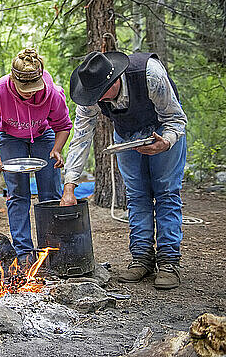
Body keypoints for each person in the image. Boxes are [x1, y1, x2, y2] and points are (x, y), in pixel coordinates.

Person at [61, 51, 187, 290]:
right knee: (136, 195)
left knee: (166, 193)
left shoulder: (150, 74)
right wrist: (70, 185)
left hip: (164, 129)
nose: (97, 100)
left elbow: (177, 119)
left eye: (100, 94)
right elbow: (81, 137)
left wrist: (166, 141)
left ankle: (169, 261)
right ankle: (141, 258)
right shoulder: (90, 95)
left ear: (115, 80)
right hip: (127, 136)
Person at [0, 48, 73, 266]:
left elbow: (63, 125)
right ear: (13, 80)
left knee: (50, 193)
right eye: (24, 89)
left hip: (43, 135)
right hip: (10, 138)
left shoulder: (52, 93)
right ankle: (24, 253)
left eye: (33, 88)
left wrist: (57, 149)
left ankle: (52, 250)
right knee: (18, 194)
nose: (29, 93)